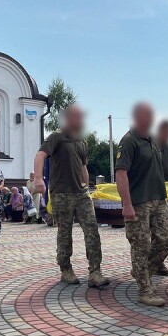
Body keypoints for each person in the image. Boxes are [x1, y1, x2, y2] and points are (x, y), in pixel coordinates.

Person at [34, 104, 110, 289]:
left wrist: (86, 184)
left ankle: (95, 271)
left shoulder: (82, 141)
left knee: (92, 229)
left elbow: (83, 165)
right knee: (65, 232)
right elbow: (40, 155)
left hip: (81, 194)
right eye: (75, 116)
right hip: (61, 194)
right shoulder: (56, 137)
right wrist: (38, 178)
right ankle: (66, 269)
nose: (79, 120)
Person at [114, 103, 168, 306]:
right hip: (138, 202)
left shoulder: (153, 140)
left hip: (159, 199)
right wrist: (127, 204)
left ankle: (143, 270)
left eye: (151, 116)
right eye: (146, 116)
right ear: (137, 117)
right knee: (140, 245)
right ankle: (144, 290)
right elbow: (121, 173)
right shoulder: (128, 141)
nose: (150, 120)